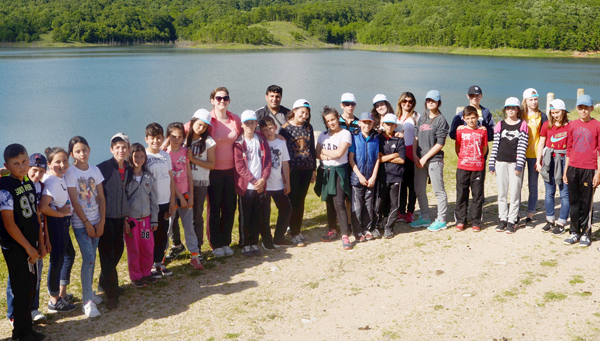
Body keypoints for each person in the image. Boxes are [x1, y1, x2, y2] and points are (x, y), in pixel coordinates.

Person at [0, 144, 48, 341]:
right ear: (7, 166)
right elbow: (9, 225)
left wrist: (41, 242)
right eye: (15, 164)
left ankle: (27, 329)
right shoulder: (4, 188)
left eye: (24, 162)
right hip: (15, 247)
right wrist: (28, 247)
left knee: (30, 286)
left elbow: (35, 214)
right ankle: (18, 333)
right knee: (20, 290)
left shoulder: (28, 182)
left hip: (32, 245)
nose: (21, 167)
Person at [65, 136, 105, 318]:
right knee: (88, 257)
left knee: (92, 257)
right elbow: (74, 200)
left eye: (85, 150)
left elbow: (102, 198)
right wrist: (87, 223)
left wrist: (101, 221)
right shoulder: (71, 173)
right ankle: (87, 302)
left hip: (97, 220)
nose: (82, 154)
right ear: (72, 154)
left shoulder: (95, 170)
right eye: (78, 151)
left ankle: (89, 292)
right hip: (81, 223)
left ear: (89, 149)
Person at [39, 148, 77, 314]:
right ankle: (54, 300)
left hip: (62, 222)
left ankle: (61, 294)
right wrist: (61, 213)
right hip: (56, 224)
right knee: (57, 260)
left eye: (65, 161)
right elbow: (43, 207)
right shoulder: (52, 182)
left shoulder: (58, 177)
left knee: (68, 254)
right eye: (57, 162)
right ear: (49, 164)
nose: (62, 165)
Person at [97, 133, 131, 310]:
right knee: (107, 257)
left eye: (124, 147)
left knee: (118, 251)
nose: (121, 150)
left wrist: (125, 217)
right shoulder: (103, 168)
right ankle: (112, 294)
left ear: (128, 149)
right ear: (111, 149)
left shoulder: (129, 168)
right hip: (106, 218)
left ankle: (104, 282)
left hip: (120, 219)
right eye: (117, 147)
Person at [207, 87, 241, 258]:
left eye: (225, 98)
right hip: (212, 172)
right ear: (212, 100)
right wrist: (165, 142)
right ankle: (216, 244)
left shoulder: (235, 119)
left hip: (231, 171)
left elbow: (249, 132)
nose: (222, 101)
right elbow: (184, 129)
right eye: (218, 98)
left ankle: (226, 242)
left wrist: (275, 136)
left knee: (229, 207)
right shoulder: (208, 118)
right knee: (214, 209)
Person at [563, 95, 600, 247]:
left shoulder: (597, 125)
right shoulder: (572, 125)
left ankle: (585, 232)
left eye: (586, 108)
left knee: (586, 203)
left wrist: (598, 173)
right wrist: (566, 171)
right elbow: (569, 149)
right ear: (577, 108)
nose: (583, 111)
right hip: (573, 167)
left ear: (591, 108)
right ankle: (574, 231)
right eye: (580, 108)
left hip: (589, 168)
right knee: (574, 201)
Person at [410, 90, 450, 231]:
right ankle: (425, 217)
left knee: (438, 190)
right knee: (419, 189)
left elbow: (440, 143)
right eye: (428, 100)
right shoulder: (422, 118)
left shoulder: (441, 121)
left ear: (438, 102)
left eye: (433, 100)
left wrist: (425, 157)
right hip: (420, 160)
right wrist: (415, 155)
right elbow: (415, 137)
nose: (430, 102)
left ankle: (442, 219)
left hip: (434, 160)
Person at [234, 110, 272, 257]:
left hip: (260, 186)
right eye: (246, 123)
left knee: (257, 215)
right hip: (246, 187)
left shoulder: (261, 140)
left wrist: (263, 179)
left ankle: (253, 243)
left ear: (256, 123)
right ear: (242, 125)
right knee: (245, 217)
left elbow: (267, 162)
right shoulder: (238, 143)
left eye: (252, 122)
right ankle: (244, 244)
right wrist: (254, 181)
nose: (250, 125)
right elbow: (239, 166)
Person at [489, 98, 529, 234]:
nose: (510, 110)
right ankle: (502, 219)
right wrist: (492, 163)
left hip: (514, 163)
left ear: (518, 109)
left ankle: (512, 220)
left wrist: (519, 165)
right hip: (500, 162)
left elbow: (523, 147)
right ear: (505, 109)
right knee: (502, 192)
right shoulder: (500, 125)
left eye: (513, 108)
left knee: (515, 193)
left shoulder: (522, 125)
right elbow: (495, 145)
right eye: (508, 108)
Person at [279, 99, 316, 247]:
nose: (304, 116)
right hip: (292, 170)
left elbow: (312, 148)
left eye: (307, 113)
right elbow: (282, 152)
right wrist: (284, 174)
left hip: (306, 169)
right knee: (292, 201)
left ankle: (296, 230)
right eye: (302, 112)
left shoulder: (308, 127)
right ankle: (291, 232)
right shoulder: (285, 128)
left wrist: (313, 170)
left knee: (301, 201)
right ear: (294, 110)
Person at [165, 122, 201, 269]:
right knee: (167, 228)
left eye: (180, 137)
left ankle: (195, 255)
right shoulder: (165, 155)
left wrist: (191, 195)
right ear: (168, 137)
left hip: (186, 193)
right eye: (173, 136)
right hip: (172, 196)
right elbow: (170, 180)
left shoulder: (185, 152)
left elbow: (189, 175)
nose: (176, 139)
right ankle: (160, 258)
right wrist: (180, 197)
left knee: (189, 226)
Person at [317, 107, 353, 250]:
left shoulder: (345, 134)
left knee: (339, 203)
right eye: (328, 121)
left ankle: (345, 235)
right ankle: (332, 230)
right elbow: (316, 153)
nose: (331, 123)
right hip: (326, 171)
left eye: (333, 119)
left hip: (339, 172)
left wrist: (324, 152)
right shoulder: (323, 135)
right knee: (329, 202)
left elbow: (339, 153)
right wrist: (325, 155)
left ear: (338, 118)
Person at [125, 143, 160, 287]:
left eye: (141, 156)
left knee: (147, 247)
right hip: (132, 221)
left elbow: (154, 200)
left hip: (146, 221)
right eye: (135, 156)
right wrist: (125, 220)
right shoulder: (126, 178)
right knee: (134, 248)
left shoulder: (148, 177)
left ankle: (146, 272)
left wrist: (154, 220)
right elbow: (123, 201)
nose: (138, 159)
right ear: (131, 157)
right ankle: (136, 276)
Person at [185, 109, 216, 261]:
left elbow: (211, 164)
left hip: (200, 182)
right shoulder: (183, 139)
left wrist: (193, 159)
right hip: (182, 183)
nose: (201, 128)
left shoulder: (209, 141)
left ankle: (197, 247)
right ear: (192, 122)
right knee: (177, 216)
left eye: (204, 126)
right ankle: (177, 245)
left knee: (197, 215)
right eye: (199, 125)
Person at [145, 123, 176, 276]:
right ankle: (149, 264)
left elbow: (171, 179)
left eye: (158, 138)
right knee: (151, 235)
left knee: (163, 234)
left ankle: (159, 262)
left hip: (165, 201)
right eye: (152, 139)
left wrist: (172, 201)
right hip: (152, 204)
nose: (156, 141)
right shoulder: (144, 156)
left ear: (163, 138)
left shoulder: (166, 156)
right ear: (146, 139)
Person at [259, 116, 294, 249]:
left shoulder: (281, 143)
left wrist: (287, 183)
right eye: (265, 130)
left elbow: (285, 163)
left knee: (286, 209)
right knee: (265, 214)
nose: (268, 132)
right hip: (266, 185)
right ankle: (266, 240)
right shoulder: (261, 142)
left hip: (279, 183)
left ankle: (279, 237)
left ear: (275, 127)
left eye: (270, 128)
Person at [536, 99, 570, 236]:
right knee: (549, 191)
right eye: (553, 112)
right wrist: (538, 161)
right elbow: (541, 143)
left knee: (564, 193)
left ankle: (561, 222)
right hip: (549, 160)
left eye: (557, 112)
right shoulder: (547, 125)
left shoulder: (570, 126)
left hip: (563, 160)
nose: (555, 115)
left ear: (563, 111)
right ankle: (550, 220)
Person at [454, 106, 488, 232]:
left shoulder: (483, 131)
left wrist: (477, 158)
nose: (471, 120)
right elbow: (457, 148)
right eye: (468, 118)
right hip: (463, 166)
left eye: (473, 118)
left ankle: (476, 221)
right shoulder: (460, 131)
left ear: (477, 118)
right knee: (462, 193)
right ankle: (461, 220)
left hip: (478, 167)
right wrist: (464, 158)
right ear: (464, 119)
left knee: (477, 195)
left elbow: (484, 149)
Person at [349, 112, 380, 241]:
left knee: (368, 204)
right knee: (357, 205)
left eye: (369, 122)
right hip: (358, 178)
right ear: (359, 123)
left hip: (370, 179)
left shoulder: (375, 138)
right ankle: (356, 230)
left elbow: (378, 158)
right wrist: (360, 176)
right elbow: (351, 159)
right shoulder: (354, 137)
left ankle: (367, 228)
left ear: (373, 123)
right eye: (364, 122)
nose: (367, 125)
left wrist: (373, 177)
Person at [375, 113, 406, 239]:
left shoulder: (399, 139)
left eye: (392, 124)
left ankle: (389, 227)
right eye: (387, 124)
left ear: (395, 125)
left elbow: (402, 160)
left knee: (394, 204)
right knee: (379, 202)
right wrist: (394, 155)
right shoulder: (377, 138)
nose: (389, 126)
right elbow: (378, 159)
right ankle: (376, 225)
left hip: (396, 176)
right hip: (381, 176)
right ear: (383, 124)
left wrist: (385, 157)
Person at [522, 88, 548, 228]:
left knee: (533, 185)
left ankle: (530, 215)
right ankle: (515, 213)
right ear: (525, 101)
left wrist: (541, 157)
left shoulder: (542, 116)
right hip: (520, 155)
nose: (534, 102)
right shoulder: (520, 115)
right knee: (517, 185)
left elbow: (546, 136)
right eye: (531, 99)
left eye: (535, 99)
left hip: (535, 156)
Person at [395, 92, 419, 223]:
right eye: (404, 101)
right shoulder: (395, 116)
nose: (407, 104)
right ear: (400, 102)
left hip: (411, 151)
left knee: (412, 184)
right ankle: (401, 211)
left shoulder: (416, 116)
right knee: (401, 184)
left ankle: (410, 211)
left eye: (410, 101)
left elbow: (418, 134)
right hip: (399, 152)